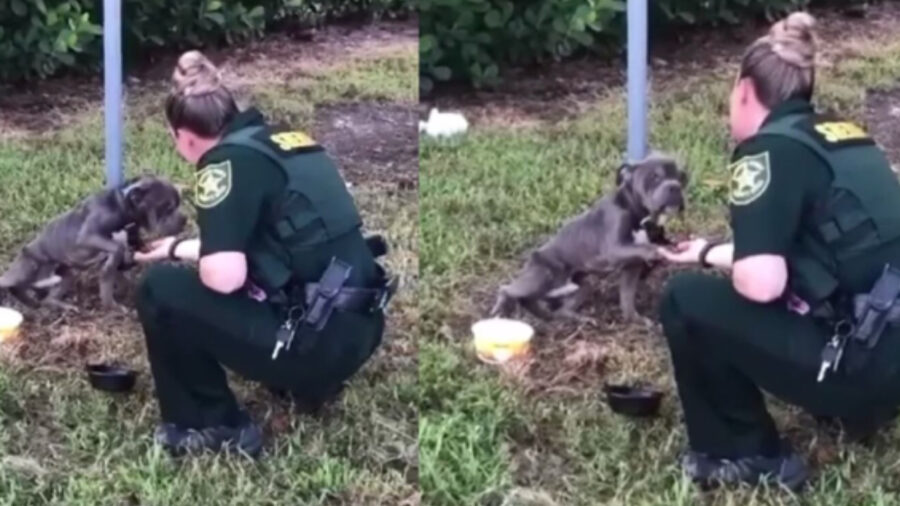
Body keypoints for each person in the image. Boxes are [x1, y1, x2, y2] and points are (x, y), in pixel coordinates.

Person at [656, 12, 900, 491]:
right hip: (889, 355)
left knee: (684, 301)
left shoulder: (764, 153)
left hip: (860, 370)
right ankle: (861, 406)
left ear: (745, 90)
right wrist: (708, 252)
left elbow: (762, 283)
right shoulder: (843, 136)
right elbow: (825, 254)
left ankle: (746, 453)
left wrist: (720, 268)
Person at [132, 51, 395, 457]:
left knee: (160, 290)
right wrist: (174, 247)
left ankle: (211, 423)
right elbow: (268, 244)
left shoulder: (221, 166)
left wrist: (180, 268)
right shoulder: (284, 141)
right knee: (210, 275)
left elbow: (225, 277)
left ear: (183, 135)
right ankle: (308, 383)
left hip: (313, 348)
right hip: (358, 332)